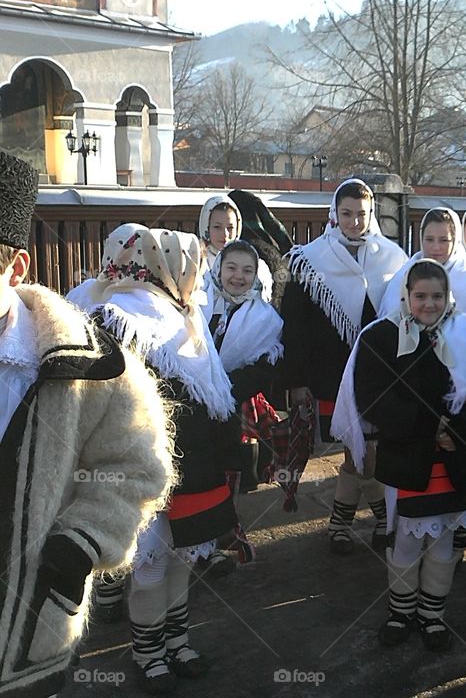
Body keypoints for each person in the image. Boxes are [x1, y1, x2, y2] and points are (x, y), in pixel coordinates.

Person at [0, 152, 174, 698]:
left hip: (28, 636)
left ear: (16, 266)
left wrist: (81, 541)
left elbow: (137, 466)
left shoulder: (91, 365)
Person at [70, 224, 238, 694]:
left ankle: (177, 640)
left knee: (182, 556)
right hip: (138, 461)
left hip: (191, 463)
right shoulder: (116, 315)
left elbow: (211, 391)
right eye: (192, 266)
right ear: (167, 267)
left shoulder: (183, 314)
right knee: (149, 564)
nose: (197, 276)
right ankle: (148, 651)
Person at [333, 259, 466, 651]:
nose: (429, 304)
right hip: (407, 455)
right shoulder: (381, 338)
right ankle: (400, 613)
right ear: (406, 295)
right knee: (405, 539)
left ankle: (433, 617)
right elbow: (373, 397)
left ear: (449, 296)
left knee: (444, 542)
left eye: (437, 296)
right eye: (421, 296)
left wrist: (456, 432)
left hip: (456, 457)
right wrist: (430, 430)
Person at [281, 179, 408, 555]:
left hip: (378, 372)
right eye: (347, 213)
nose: (354, 221)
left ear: (372, 215)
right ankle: (375, 522)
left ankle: (342, 524)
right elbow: (295, 326)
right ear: (334, 214)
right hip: (332, 373)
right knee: (358, 451)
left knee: (364, 452)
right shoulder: (308, 259)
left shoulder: (394, 257)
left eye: (362, 214)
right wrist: (298, 380)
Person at [202, 239, 285, 565]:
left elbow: (263, 371)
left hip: (232, 408)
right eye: (231, 268)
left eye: (247, 270)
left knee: (226, 467)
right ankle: (198, 536)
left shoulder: (266, 319)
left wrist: (224, 390)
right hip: (193, 403)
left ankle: (225, 528)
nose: (238, 276)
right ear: (219, 269)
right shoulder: (198, 304)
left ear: (256, 274)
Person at [380, 207, 466, 317]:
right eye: (429, 239)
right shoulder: (404, 276)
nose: (436, 247)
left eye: (444, 240)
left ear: (455, 241)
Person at [198, 194, 273, 302]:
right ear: (206, 227)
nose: (225, 234)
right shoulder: (197, 264)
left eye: (230, 228)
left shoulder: (256, 264)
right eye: (217, 227)